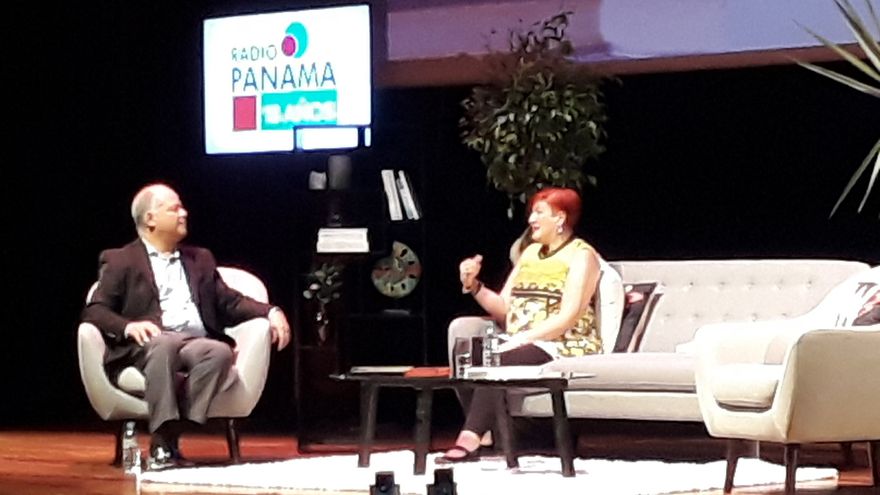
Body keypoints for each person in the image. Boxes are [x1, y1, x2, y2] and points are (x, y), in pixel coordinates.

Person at [81, 183, 291, 470]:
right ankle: (164, 443)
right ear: (150, 219)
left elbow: (229, 302)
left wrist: (271, 311)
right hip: (150, 343)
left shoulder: (200, 259)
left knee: (219, 352)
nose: (184, 213)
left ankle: (166, 440)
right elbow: (95, 310)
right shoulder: (120, 260)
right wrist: (128, 326)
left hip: (194, 342)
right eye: (175, 208)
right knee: (163, 345)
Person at [440, 187, 603, 462]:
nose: (531, 220)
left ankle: (469, 436)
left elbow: (569, 316)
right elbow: (504, 308)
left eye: (539, 213)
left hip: (562, 342)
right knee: (470, 352)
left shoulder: (581, 255)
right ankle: (487, 432)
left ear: (560, 218)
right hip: (520, 340)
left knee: (496, 358)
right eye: (531, 213)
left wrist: (524, 338)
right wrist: (474, 285)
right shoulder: (530, 254)